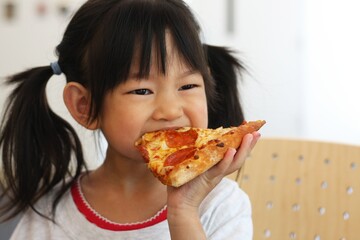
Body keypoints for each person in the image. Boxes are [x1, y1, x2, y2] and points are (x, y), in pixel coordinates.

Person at [0, 0, 261, 239]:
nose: (170, 110)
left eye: (188, 86)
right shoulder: (49, 212)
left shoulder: (220, 205)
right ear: (85, 106)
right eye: (142, 90)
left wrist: (184, 211)